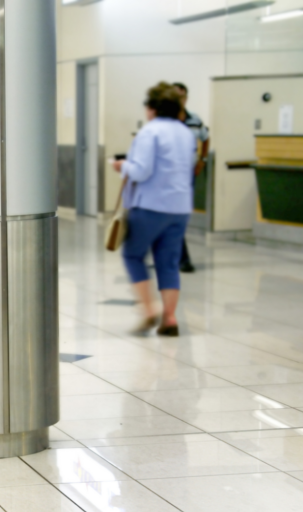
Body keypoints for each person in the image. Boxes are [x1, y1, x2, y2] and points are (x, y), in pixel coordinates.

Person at [112, 82, 193, 337]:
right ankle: (169, 318)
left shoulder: (150, 132)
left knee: (133, 255)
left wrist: (121, 166)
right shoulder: (185, 132)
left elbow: (141, 171)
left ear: (153, 107)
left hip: (150, 205)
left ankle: (148, 309)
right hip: (180, 207)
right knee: (168, 262)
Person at [172, 82, 210, 274]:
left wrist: (202, 159)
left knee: (180, 216)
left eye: (183, 96)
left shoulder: (195, 119)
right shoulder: (164, 120)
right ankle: (182, 259)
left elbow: (205, 136)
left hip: (188, 176)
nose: (180, 100)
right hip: (169, 177)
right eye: (176, 96)